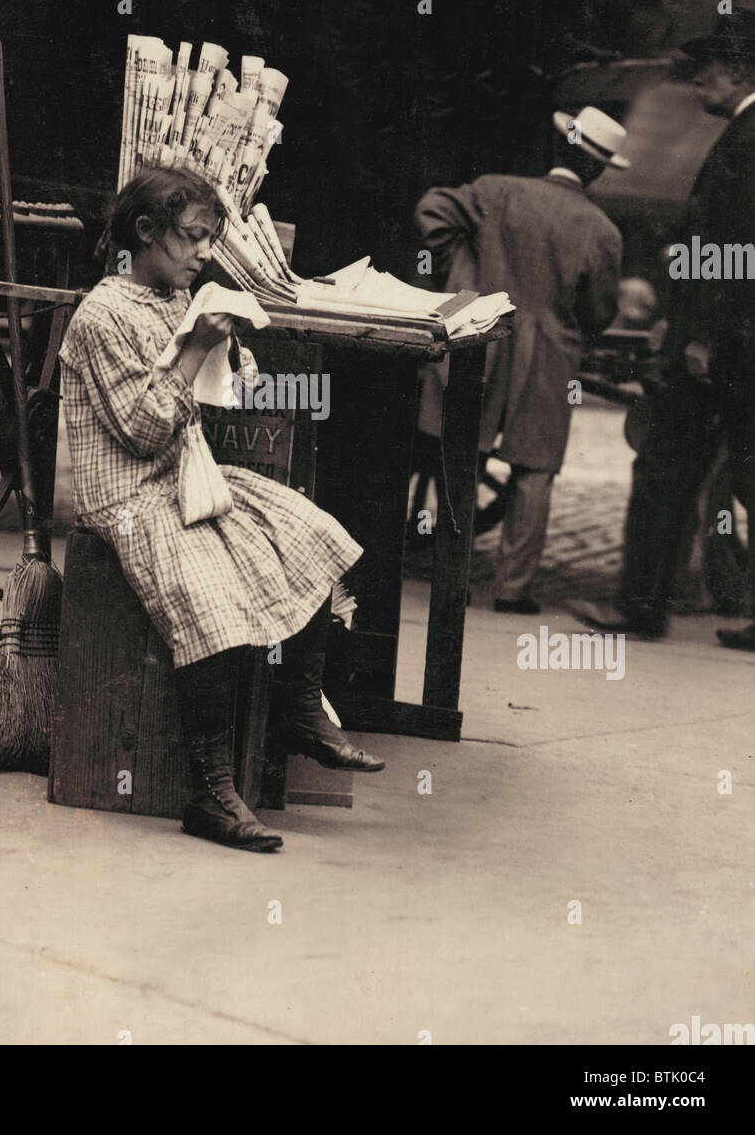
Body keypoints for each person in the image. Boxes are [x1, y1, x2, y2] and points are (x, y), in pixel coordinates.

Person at [58, 167, 384, 855]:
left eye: (209, 239)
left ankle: (297, 708)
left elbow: (216, 398)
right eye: (193, 238)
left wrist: (231, 353)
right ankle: (210, 791)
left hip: (183, 476)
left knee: (310, 536)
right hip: (124, 495)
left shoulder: (171, 299)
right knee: (208, 598)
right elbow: (142, 431)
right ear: (144, 233)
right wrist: (198, 347)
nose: (204, 252)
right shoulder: (102, 314)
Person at [578, 12, 755, 648]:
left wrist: (700, 334)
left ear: (737, 73)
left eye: (707, 73)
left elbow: (732, 252)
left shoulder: (746, 140)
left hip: (723, 344)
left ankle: (642, 605)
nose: (698, 84)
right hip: (741, 341)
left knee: (664, 469)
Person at [414, 107, 626, 613]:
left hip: (483, 335)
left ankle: (453, 576)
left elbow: (431, 212)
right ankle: (513, 590)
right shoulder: (602, 230)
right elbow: (599, 312)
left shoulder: (496, 191)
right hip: (550, 355)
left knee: (466, 452)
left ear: (558, 150)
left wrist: (463, 270)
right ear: (597, 169)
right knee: (535, 470)